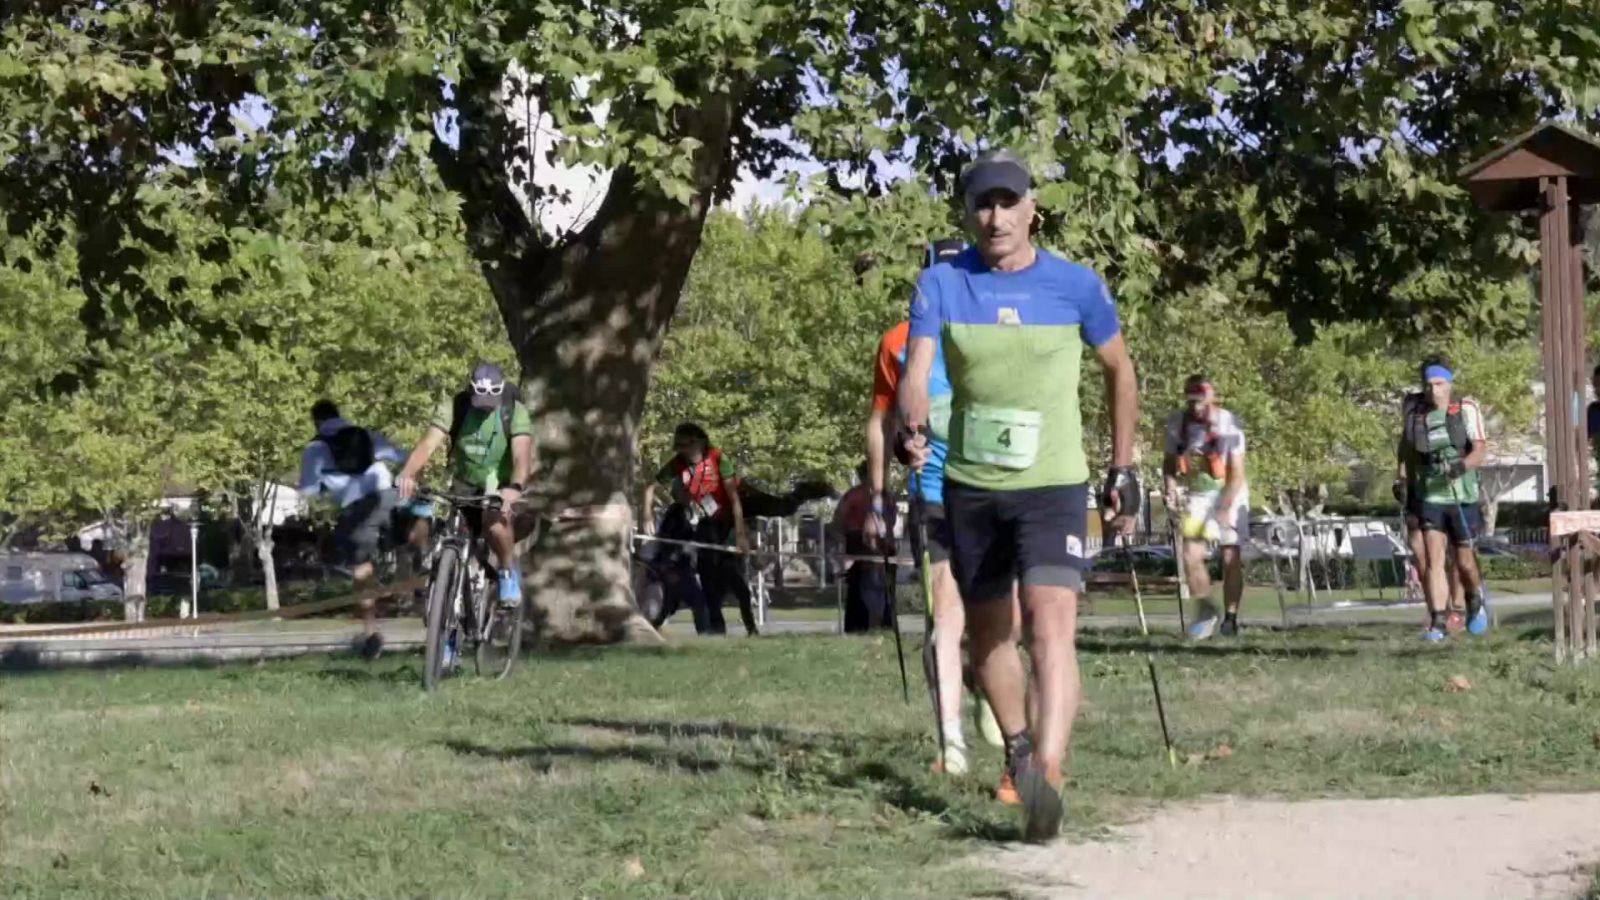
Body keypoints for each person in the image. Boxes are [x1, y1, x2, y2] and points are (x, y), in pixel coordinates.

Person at [899, 149, 1140, 841]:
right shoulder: (941, 283)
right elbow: (917, 372)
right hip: (972, 485)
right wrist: (913, 427)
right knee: (989, 638)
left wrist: (1121, 468)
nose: (996, 216)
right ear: (968, 213)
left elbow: (1120, 371)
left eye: (1009, 202)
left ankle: (1048, 777)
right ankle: (1020, 749)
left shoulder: (1076, 286)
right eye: (983, 204)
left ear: (1033, 208)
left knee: (1050, 623)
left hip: (1054, 483)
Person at [396, 362, 536, 609]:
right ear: (470, 391)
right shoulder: (455, 406)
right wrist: (408, 472)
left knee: (495, 523)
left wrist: (515, 486)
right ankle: (438, 575)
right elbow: (428, 445)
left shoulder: (514, 411)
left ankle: (506, 572)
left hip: (500, 485)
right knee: (432, 518)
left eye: (490, 402)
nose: (485, 407)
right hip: (465, 481)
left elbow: (521, 456)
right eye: (480, 401)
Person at [298, 398, 407, 655]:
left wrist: (326, 487)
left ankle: (371, 635)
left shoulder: (315, 448)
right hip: (390, 496)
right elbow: (402, 456)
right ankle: (411, 585)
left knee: (362, 569)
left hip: (358, 508)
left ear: (316, 421)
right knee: (407, 545)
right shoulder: (366, 435)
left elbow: (309, 490)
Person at [1394, 357, 1489, 641]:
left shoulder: (1466, 408)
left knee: (1465, 563)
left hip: (1462, 494)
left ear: (1449, 383)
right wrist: (1402, 480)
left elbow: (1480, 450)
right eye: (1428, 384)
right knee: (1434, 559)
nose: (1433, 390)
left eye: (1438, 384)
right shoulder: (1413, 409)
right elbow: (1406, 448)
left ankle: (1474, 599)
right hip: (1430, 494)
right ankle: (1437, 622)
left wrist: (1461, 467)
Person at [642, 423, 756, 636]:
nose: (684, 450)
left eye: (688, 445)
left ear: (701, 442)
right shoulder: (678, 464)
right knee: (709, 585)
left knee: (736, 581)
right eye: (680, 446)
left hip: (727, 526)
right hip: (706, 527)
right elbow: (651, 486)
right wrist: (647, 513)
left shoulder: (718, 459)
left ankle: (751, 628)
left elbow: (734, 498)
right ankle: (716, 633)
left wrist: (741, 533)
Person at [1162, 375, 1250, 640]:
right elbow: (1169, 462)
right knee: (1190, 554)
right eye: (1191, 400)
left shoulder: (1228, 423)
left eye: (1200, 400)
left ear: (1211, 397)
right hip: (1199, 495)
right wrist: (1170, 487)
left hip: (1230, 490)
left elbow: (1237, 472)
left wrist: (1225, 506)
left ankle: (1230, 619)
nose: (1196, 406)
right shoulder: (1177, 423)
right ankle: (1206, 608)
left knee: (1229, 556)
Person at [832, 461, 899, 633]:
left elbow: (839, 521)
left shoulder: (856, 495)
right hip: (863, 545)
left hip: (871, 545)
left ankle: (864, 625)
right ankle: (878, 625)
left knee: (869, 587)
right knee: (871, 587)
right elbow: (892, 520)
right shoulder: (881, 496)